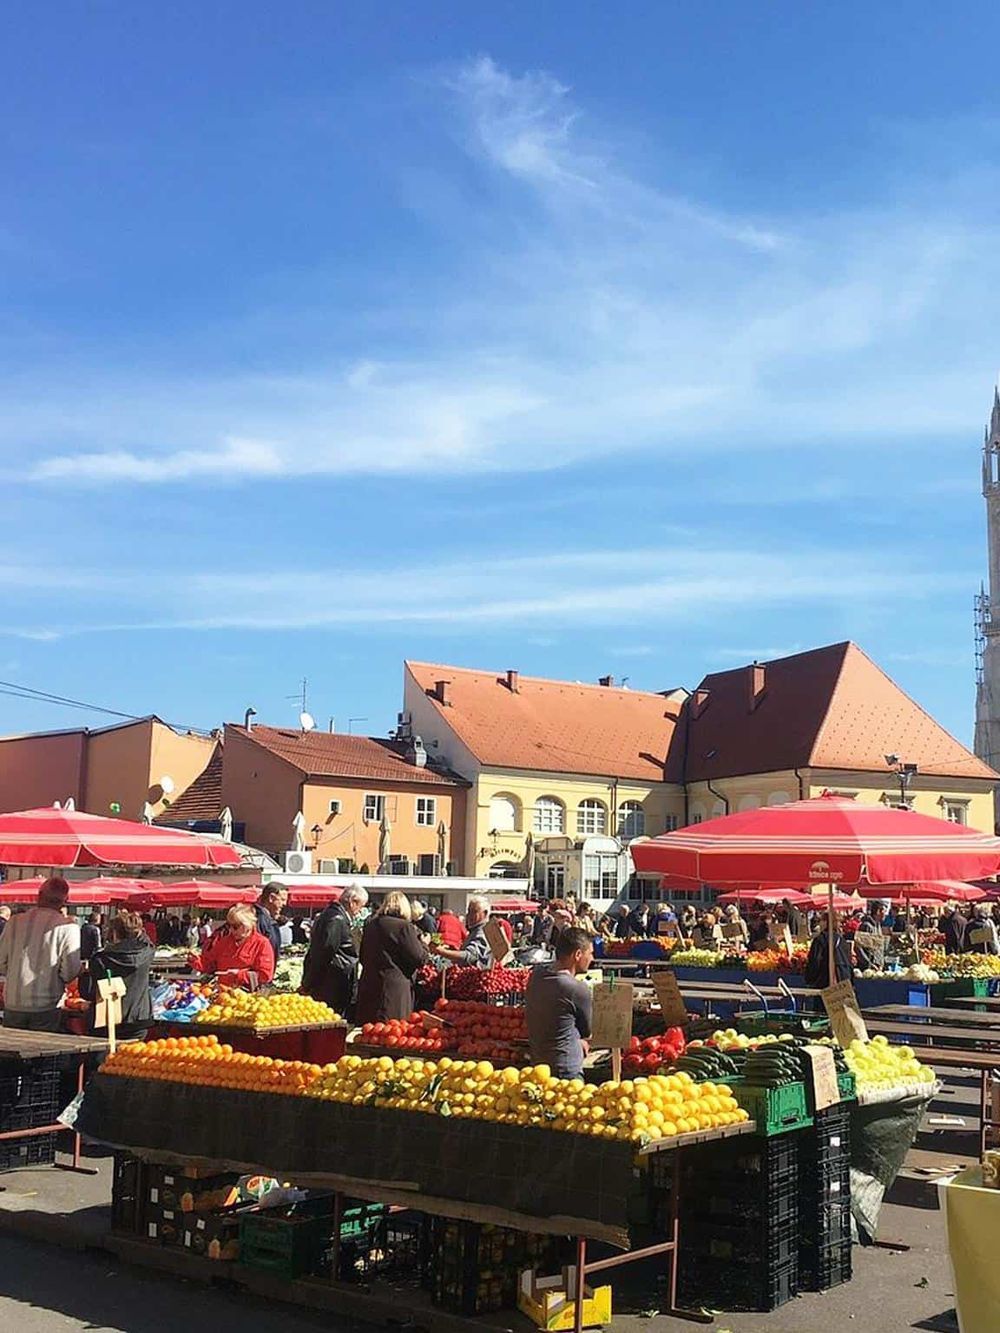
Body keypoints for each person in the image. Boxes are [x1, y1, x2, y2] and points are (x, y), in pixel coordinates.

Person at [0, 877, 82, 1031]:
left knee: (10, 1052)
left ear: (39, 895)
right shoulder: (68, 928)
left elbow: (0, 962)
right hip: (47, 1005)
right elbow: (70, 972)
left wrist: (15, 974)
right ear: (65, 900)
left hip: (14, 1001)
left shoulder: (15, 922)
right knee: (42, 1052)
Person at [525, 927, 594, 1080]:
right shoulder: (576, 989)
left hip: (539, 1065)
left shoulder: (536, 976)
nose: (592, 959)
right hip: (566, 1069)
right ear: (577, 954)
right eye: (590, 953)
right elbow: (587, 1031)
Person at [355, 892, 430, 1024]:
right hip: (394, 991)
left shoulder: (371, 925)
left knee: (369, 1034)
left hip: (370, 987)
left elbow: (362, 956)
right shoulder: (404, 927)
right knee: (392, 1033)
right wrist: (424, 944)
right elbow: (419, 958)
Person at [81, 910, 155, 1039]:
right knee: (133, 1057)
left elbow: (88, 992)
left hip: (107, 1019)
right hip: (139, 1018)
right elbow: (146, 940)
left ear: (114, 933)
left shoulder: (101, 959)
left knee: (104, 1058)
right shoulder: (146, 952)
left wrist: (84, 974)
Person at [301, 884, 369, 1016]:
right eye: (361, 906)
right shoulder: (336, 919)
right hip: (333, 984)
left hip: (330, 982)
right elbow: (324, 953)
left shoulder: (330, 915)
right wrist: (309, 983)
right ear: (352, 902)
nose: (360, 911)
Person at [189, 904, 275, 987]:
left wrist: (239, 974)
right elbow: (210, 965)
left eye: (235, 926)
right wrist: (196, 961)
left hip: (247, 996)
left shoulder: (262, 943)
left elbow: (265, 975)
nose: (231, 930)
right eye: (229, 925)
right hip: (222, 992)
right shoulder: (223, 941)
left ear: (247, 925)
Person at [432, 895, 493, 969]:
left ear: (485, 913)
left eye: (474, 912)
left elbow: (470, 956)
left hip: (475, 976)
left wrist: (441, 951)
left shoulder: (482, 932)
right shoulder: (474, 930)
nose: (469, 915)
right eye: (469, 911)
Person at [803, 919, 852, 988]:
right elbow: (849, 962)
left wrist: (809, 979)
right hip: (843, 980)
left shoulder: (820, 939)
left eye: (820, 920)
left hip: (825, 981)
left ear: (826, 922)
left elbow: (815, 961)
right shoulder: (842, 941)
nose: (819, 924)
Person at [254, 884, 287, 961]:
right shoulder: (259, 919)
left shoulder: (268, 919)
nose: (284, 904)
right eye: (282, 899)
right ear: (271, 898)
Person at [854, 900, 887, 971]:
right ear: (878, 911)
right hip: (867, 968)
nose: (885, 914)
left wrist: (881, 963)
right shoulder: (867, 926)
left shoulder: (878, 926)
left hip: (877, 967)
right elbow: (859, 948)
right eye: (884, 911)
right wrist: (869, 964)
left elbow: (878, 947)